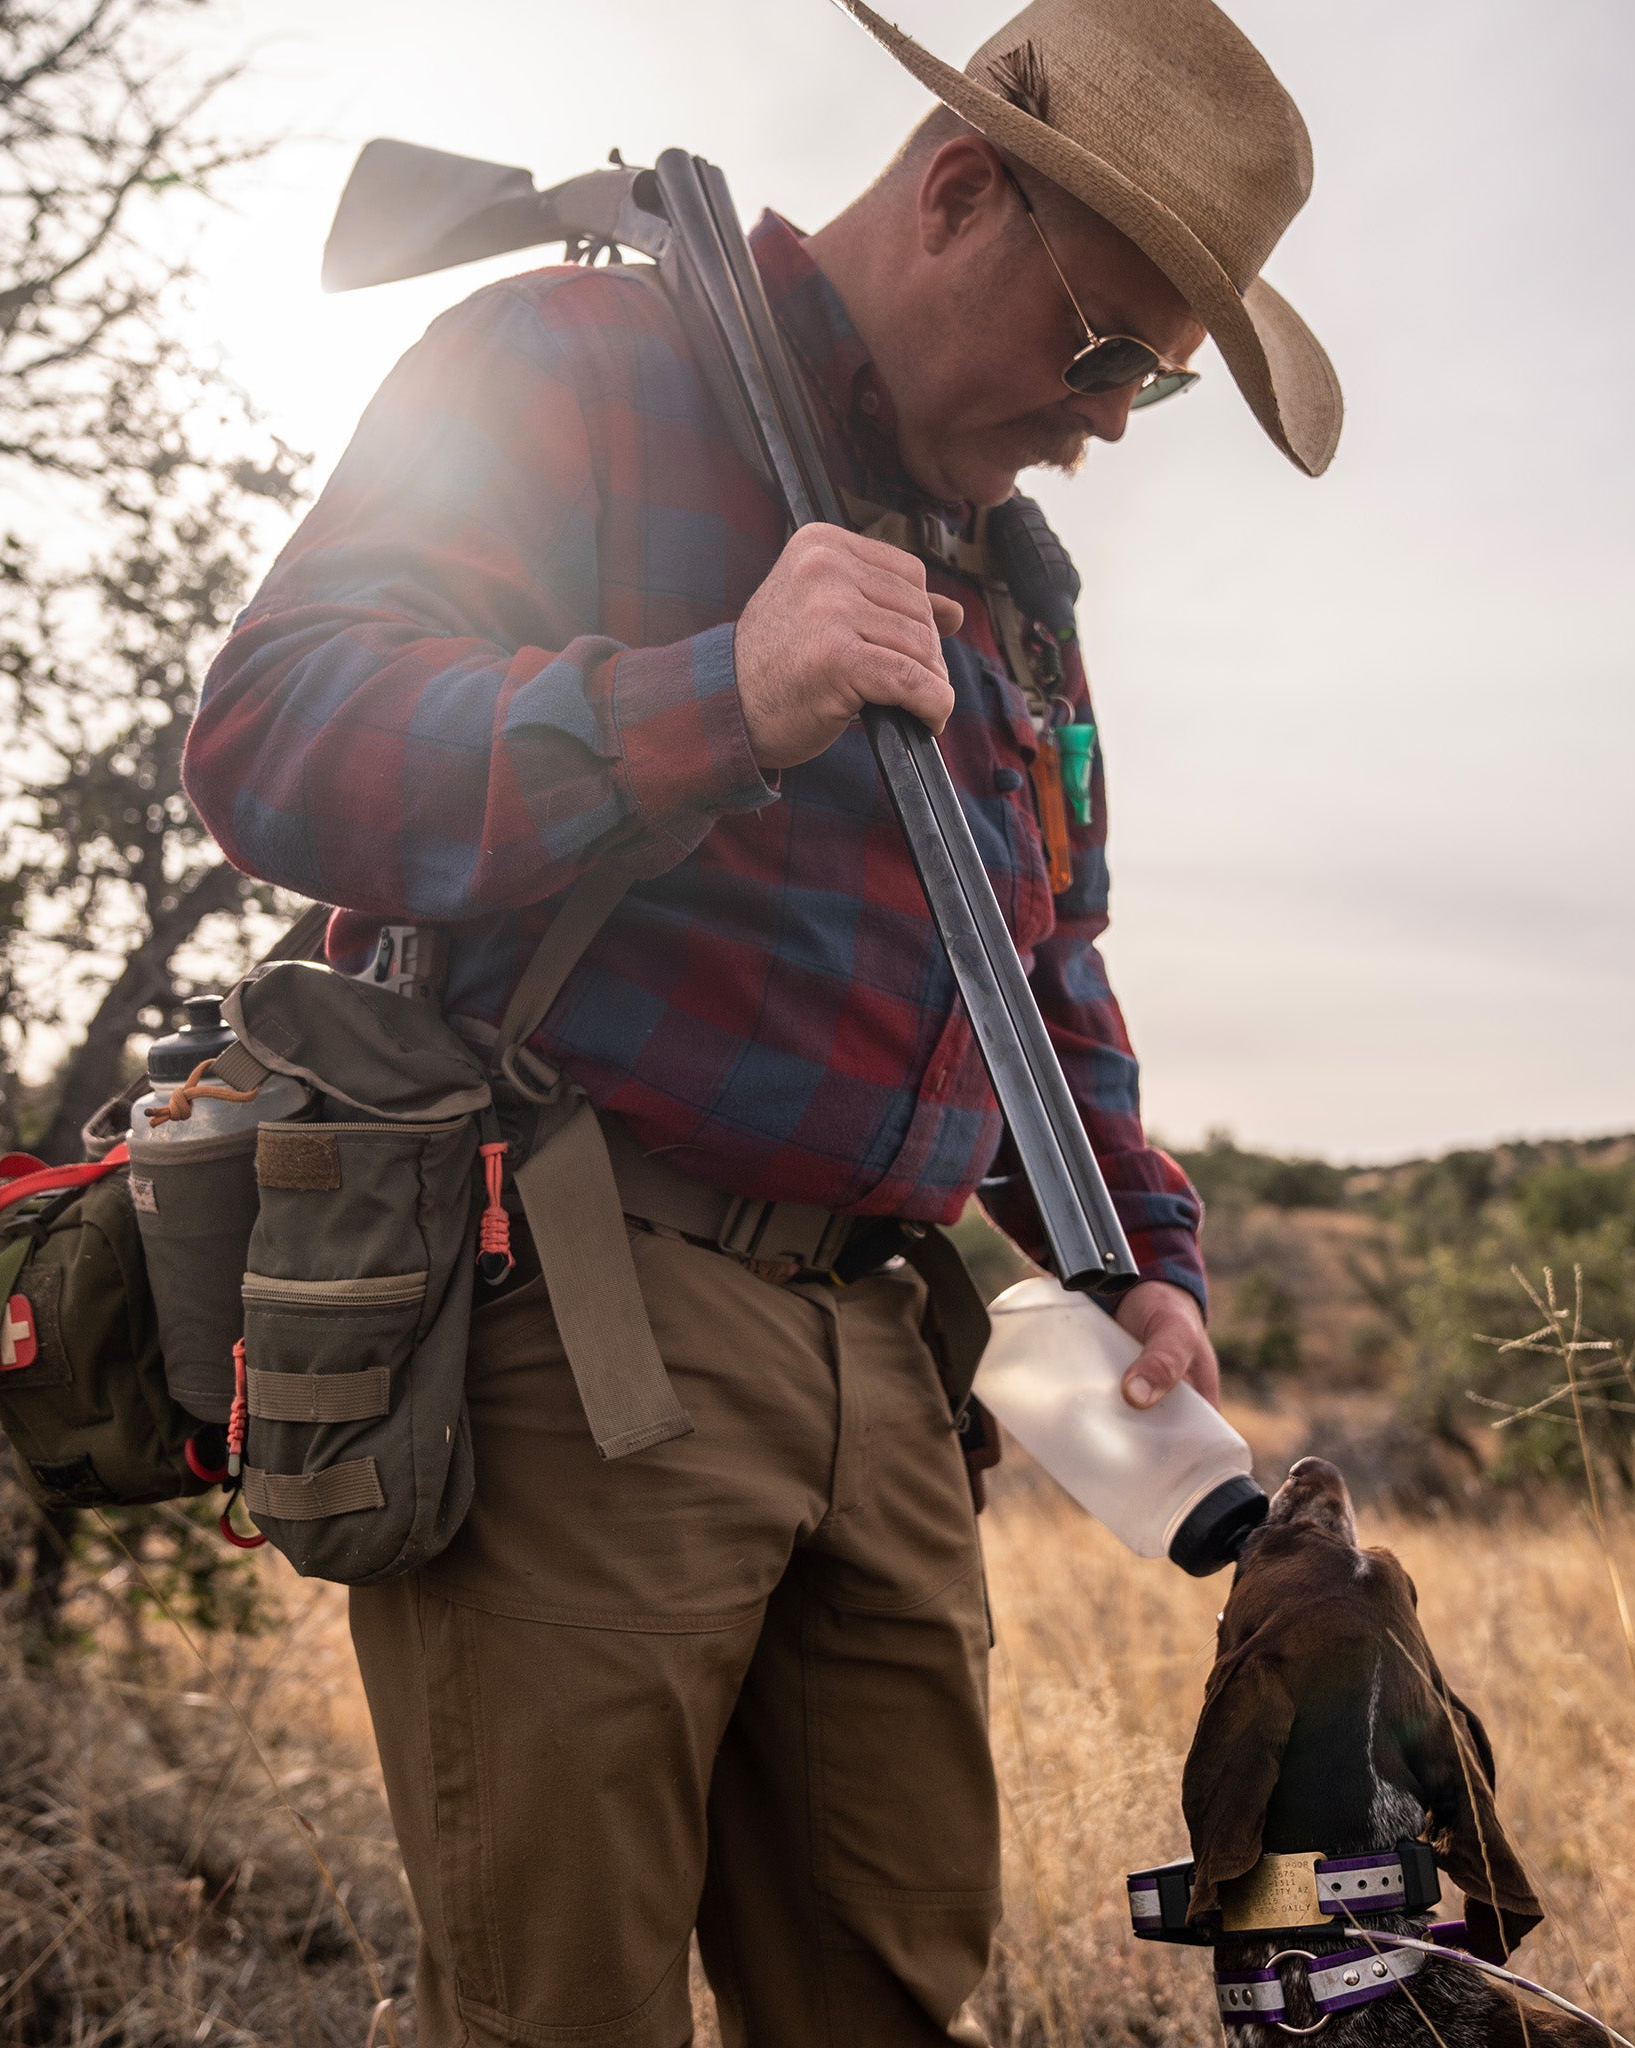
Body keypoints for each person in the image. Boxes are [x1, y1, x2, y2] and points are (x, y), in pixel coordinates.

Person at [183, 0, 1341, 2040]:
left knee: (892, 1991)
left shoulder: (1018, 587)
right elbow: (279, 736)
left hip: (889, 1363)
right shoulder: (577, 360)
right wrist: (713, 693)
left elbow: (1046, 956)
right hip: (571, 1293)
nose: (1103, 426)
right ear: (962, 189)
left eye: (1147, 388)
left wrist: (1134, 1258)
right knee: (569, 2007)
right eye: (1101, 354)